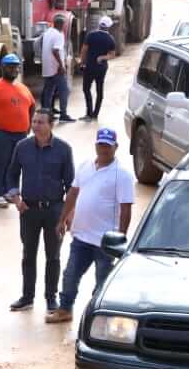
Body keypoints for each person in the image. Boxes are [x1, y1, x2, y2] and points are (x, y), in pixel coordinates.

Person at [50, 128, 135, 323]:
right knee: (70, 275)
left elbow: (126, 209)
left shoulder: (122, 175)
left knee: (102, 283)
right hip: (81, 236)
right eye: (101, 144)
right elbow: (73, 193)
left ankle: (99, 318)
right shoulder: (85, 166)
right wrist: (62, 218)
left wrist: (120, 237)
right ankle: (65, 310)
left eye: (108, 145)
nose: (104, 149)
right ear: (96, 145)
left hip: (105, 242)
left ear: (116, 147)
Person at [6, 110, 76, 313]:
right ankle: (27, 296)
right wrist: (16, 199)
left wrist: (68, 214)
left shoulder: (64, 149)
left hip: (54, 210)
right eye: (34, 121)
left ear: (51, 125)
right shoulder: (22, 147)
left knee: (53, 256)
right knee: (28, 254)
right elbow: (11, 176)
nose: (35, 125)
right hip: (28, 210)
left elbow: (71, 184)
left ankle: (51, 297)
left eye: (40, 122)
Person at [0, 54, 36, 208]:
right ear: (3, 68)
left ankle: (9, 192)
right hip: (0, 133)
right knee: (0, 163)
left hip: (20, 134)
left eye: (16, 67)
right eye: (10, 67)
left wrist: (29, 123)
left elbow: (32, 105)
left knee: (14, 164)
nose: (14, 70)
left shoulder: (23, 88)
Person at [79, 17, 117, 121]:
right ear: (109, 27)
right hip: (101, 68)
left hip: (89, 67)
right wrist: (103, 57)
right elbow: (112, 55)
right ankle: (95, 114)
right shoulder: (110, 39)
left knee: (86, 89)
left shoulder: (91, 35)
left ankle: (89, 113)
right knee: (99, 90)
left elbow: (84, 50)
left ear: (99, 24)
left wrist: (82, 63)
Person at [40, 15, 75, 123]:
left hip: (47, 68)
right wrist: (61, 65)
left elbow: (39, 44)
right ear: (61, 25)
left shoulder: (47, 33)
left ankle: (46, 115)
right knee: (64, 91)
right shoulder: (59, 35)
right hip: (56, 69)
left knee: (48, 92)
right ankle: (63, 114)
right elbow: (55, 51)